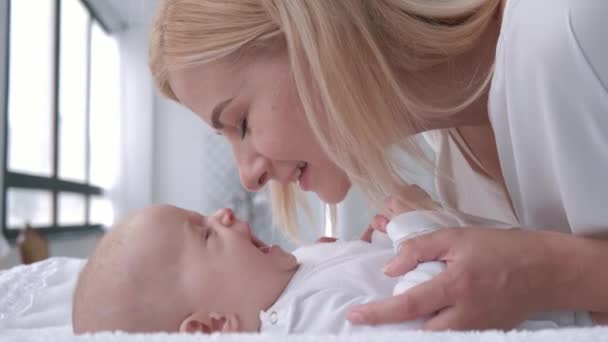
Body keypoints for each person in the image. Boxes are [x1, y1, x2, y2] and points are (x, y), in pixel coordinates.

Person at [148, 0, 608, 330]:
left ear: (316, 36)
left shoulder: (574, 27)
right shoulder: (459, 188)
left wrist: (551, 271)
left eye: (241, 122)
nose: (249, 177)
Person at [72, 204, 593, 334]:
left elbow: (357, 270)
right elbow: (425, 314)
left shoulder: (294, 274)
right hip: (567, 308)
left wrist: (357, 246)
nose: (224, 213)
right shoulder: (305, 323)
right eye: (206, 232)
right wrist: (411, 231)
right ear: (211, 327)